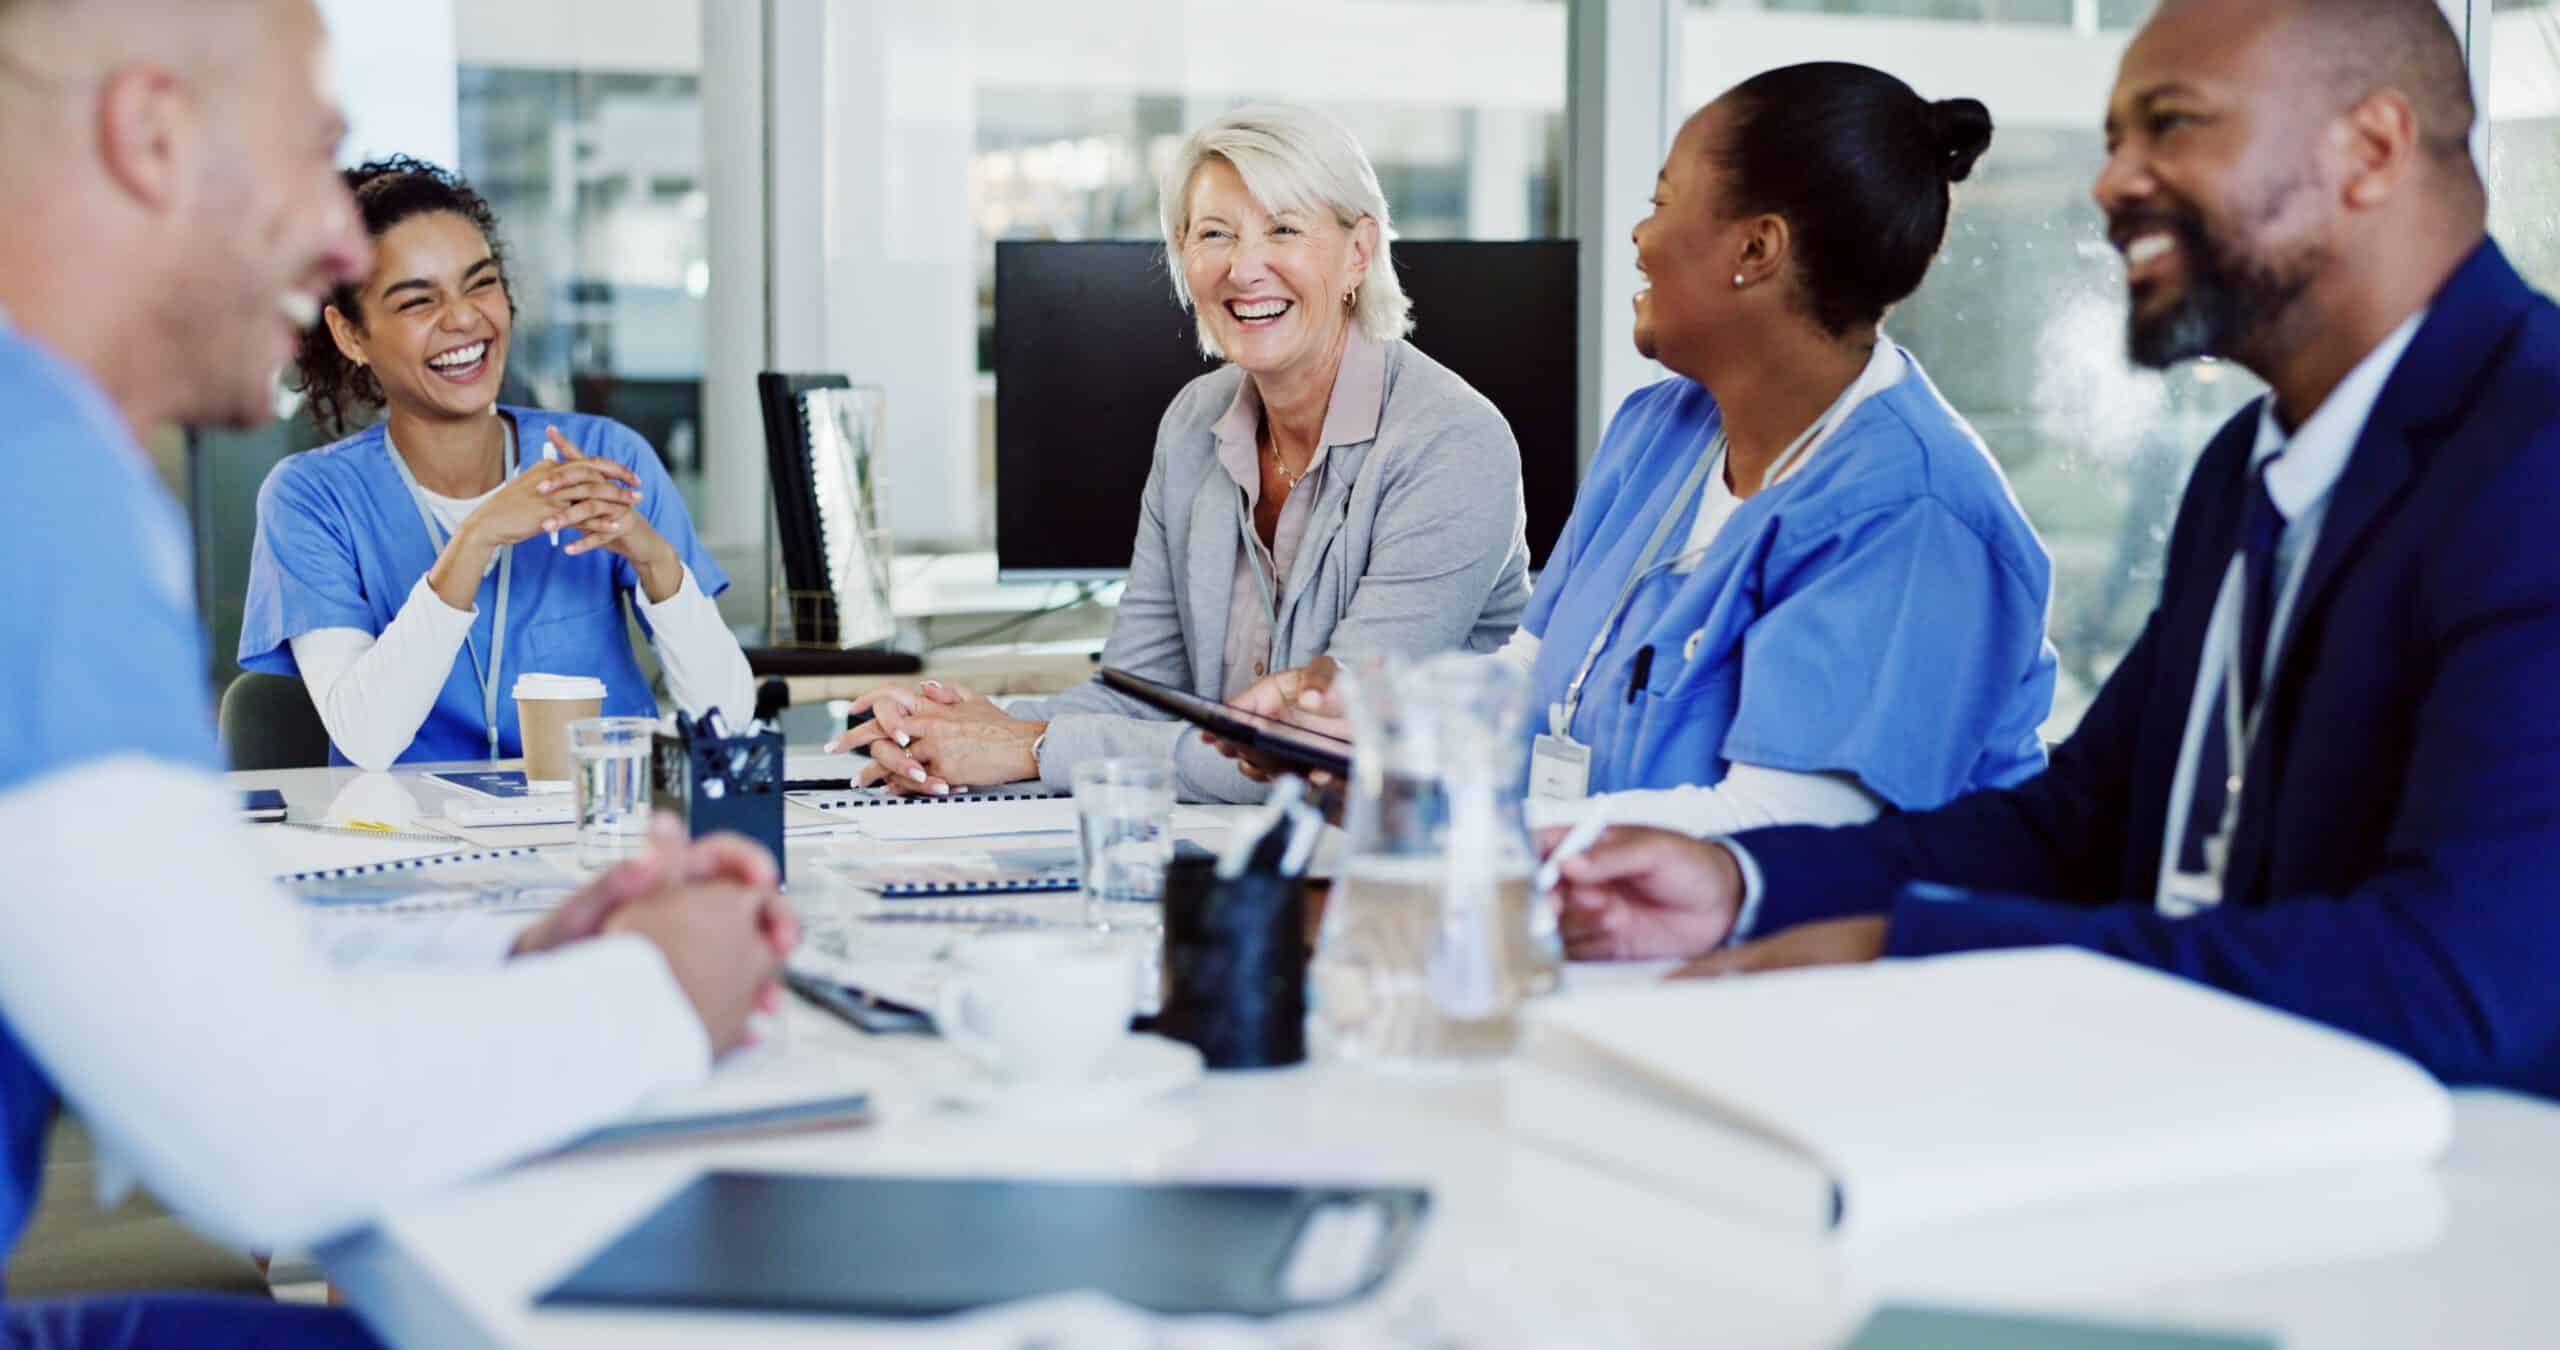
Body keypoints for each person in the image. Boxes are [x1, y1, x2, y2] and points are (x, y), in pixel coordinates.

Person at [1548, 0, 2560, 1097]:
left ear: (2370, 150)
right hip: (2227, 1114)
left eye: (2172, 126)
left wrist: (1916, 954)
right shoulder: (2247, 468)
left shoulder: (2533, 459)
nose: (2111, 183)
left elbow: (2461, 983)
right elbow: (2084, 823)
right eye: (2115, 139)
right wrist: (1739, 882)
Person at [0, 1, 790, 1343]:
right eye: (312, 152)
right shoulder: (43, 493)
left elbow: (195, 965)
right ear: (150, 134)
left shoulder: (56, 452)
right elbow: (267, 1127)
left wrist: (519, 944)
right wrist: (664, 990)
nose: (329, 245)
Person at [1229, 65, 2058, 839]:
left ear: (1756, 250)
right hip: (1615, 931)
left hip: (1830, 974)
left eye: (1662, 204)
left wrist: (1467, 823)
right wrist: (1361, 732)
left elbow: (1781, 828)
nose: (1637, 235)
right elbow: (1530, 680)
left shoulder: (1908, 512)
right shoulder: (1659, 431)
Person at [828, 104, 1532, 804]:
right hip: (1241, 852)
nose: (1243, 268)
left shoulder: (1451, 443)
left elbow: (1321, 753)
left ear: (1358, 251)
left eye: (1283, 230)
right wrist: (949, 730)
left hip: (1412, 870)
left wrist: (1027, 746)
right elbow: (1139, 692)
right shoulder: (1197, 421)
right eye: (1214, 234)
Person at [239, 157, 755, 770]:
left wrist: (655, 560)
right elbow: (366, 738)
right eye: (416, 302)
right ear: (351, 336)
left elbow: (729, 718)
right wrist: (478, 535)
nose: (463, 319)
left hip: (598, 831)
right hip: (408, 843)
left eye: (480, 283)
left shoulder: (603, 458)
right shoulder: (311, 499)